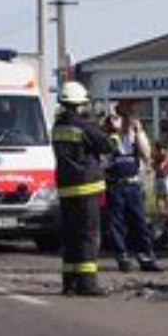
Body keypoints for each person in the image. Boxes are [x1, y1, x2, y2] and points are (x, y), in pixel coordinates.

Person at [51, 81, 114, 295]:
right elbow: (107, 145)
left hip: (65, 188)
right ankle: (87, 284)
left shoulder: (58, 127)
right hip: (86, 188)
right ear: (79, 104)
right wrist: (109, 130)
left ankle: (69, 283)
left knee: (70, 236)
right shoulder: (83, 126)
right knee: (88, 235)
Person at [103, 105, 161, 273]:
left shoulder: (134, 136)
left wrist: (139, 132)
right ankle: (123, 257)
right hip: (115, 185)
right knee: (117, 224)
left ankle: (146, 257)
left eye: (119, 117)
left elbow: (147, 154)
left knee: (139, 222)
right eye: (114, 118)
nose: (117, 121)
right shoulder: (108, 137)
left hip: (132, 185)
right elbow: (104, 159)